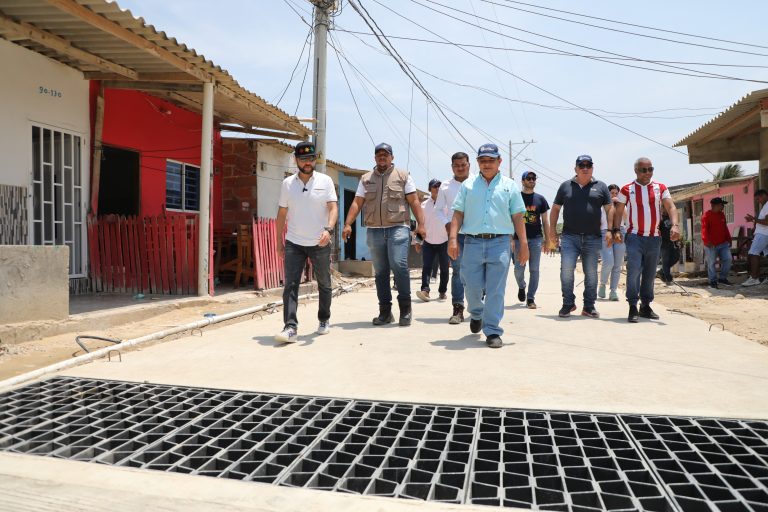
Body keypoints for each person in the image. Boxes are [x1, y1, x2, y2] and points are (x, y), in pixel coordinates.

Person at [448, 143, 528, 349]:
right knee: (471, 286)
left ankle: (492, 330)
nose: (487, 164)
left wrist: (524, 244)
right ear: (478, 163)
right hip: (472, 243)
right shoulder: (468, 185)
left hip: (500, 243)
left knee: (495, 290)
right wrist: (453, 239)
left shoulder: (509, 186)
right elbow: (458, 213)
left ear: (499, 161)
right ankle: (476, 313)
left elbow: (518, 216)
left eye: (491, 160)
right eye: (483, 160)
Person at [342, 143, 425, 326]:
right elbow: (357, 203)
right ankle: (385, 312)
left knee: (399, 265)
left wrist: (421, 224)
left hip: (398, 227)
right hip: (374, 230)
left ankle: (405, 310)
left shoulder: (403, 176)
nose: (382, 157)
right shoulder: (365, 179)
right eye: (379, 154)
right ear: (375, 158)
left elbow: (414, 201)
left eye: (385, 154)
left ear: (392, 157)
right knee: (380, 272)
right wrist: (348, 223)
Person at [275, 141, 338, 343]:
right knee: (291, 285)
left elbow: (333, 208)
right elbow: (282, 213)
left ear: (315, 160)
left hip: (320, 242)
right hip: (294, 242)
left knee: (324, 283)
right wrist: (278, 242)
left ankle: (324, 319)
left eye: (311, 158)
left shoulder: (325, 181)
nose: (308, 162)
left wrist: (329, 230)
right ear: (296, 160)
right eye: (303, 159)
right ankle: (290, 327)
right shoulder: (287, 184)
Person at [612, 157, 679, 323]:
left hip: (654, 238)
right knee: (634, 270)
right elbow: (619, 211)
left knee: (649, 274)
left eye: (650, 169)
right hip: (634, 236)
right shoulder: (627, 189)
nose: (647, 173)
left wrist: (675, 225)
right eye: (644, 170)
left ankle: (646, 306)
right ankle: (633, 306)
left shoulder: (660, 187)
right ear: (636, 171)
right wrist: (615, 230)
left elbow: (670, 206)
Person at [549, 155, 613, 319]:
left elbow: (609, 209)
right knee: (566, 272)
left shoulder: (601, 187)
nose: (585, 168)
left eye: (588, 165)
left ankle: (589, 306)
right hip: (570, 237)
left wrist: (611, 230)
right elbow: (555, 209)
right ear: (575, 168)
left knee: (591, 273)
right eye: (581, 165)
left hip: (593, 238)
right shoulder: (565, 186)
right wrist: (552, 232)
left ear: (592, 168)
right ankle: (568, 303)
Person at [434, 152, 472, 324]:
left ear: (469, 165)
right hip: (456, 236)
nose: (460, 168)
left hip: (477, 235)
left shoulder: (478, 183)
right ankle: (458, 309)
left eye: (463, 164)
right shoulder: (445, 186)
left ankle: (480, 305)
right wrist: (447, 225)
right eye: (457, 165)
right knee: (458, 272)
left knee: (479, 270)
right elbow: (438, 209)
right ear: (452, 167)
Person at [513, 170, 550, 309]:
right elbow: (510, 220)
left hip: (535, 239)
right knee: (518, 269)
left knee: (534, 270)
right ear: (522, 181)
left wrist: (547, 240)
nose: (531, 180)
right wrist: (510, 238)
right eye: (528, 178)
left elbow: (545, 221)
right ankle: (521, 286)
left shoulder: (541, 199)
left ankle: (530, 298)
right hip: (518, 240)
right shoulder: (515, 197)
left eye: (534, 178)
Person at [416, 179, 450, 302]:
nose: (437, 188)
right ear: (429, 189)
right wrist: (418, 241)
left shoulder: (447, 205)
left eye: (439, 186)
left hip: (444, 241)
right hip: (428, 242)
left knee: (445, 269)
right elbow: (421, 224)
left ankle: (442, 291)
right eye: (434, 186)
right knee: (426, 267)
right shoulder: (424, 205)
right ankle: (425, 290)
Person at [598, 184, 626, 300]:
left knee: (617, 264)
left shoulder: (623, 205)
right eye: (612, 193)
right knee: (609, 261)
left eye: (616, 193)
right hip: (605, 233)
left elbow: (626, 218)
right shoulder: (601, 206)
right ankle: (603, 284)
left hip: (620, 232)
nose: (614, 195)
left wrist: (620, 205)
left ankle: (613, 291)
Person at [701, 197, 732, 289]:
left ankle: (722, 278)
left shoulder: (722, 215)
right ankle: (713, 281)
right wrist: (707, 241)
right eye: (722, 205)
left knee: (728, 259)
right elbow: (704, 230)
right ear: (715, 205)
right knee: (711, 263)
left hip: (723, 243)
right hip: (711, 245)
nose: (723, 206)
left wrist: (729, 239)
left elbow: (725, 228)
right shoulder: (706, 216)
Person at [743, 188, 768, 287]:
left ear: (763, 196)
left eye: (758, 199)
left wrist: (753, 219)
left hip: (763, 234)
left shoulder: (767, 205)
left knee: (753, 253)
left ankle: (754, 278)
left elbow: (767, 222)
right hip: (764, 233)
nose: (758, 201)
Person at [658, 209, 680, 285]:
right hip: (664, 244)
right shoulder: (660, 219)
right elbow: (658, 231)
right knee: (666, 261)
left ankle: (662, 271)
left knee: (676, 257)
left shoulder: (672, 219)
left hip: (673, 243)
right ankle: (668, 279)